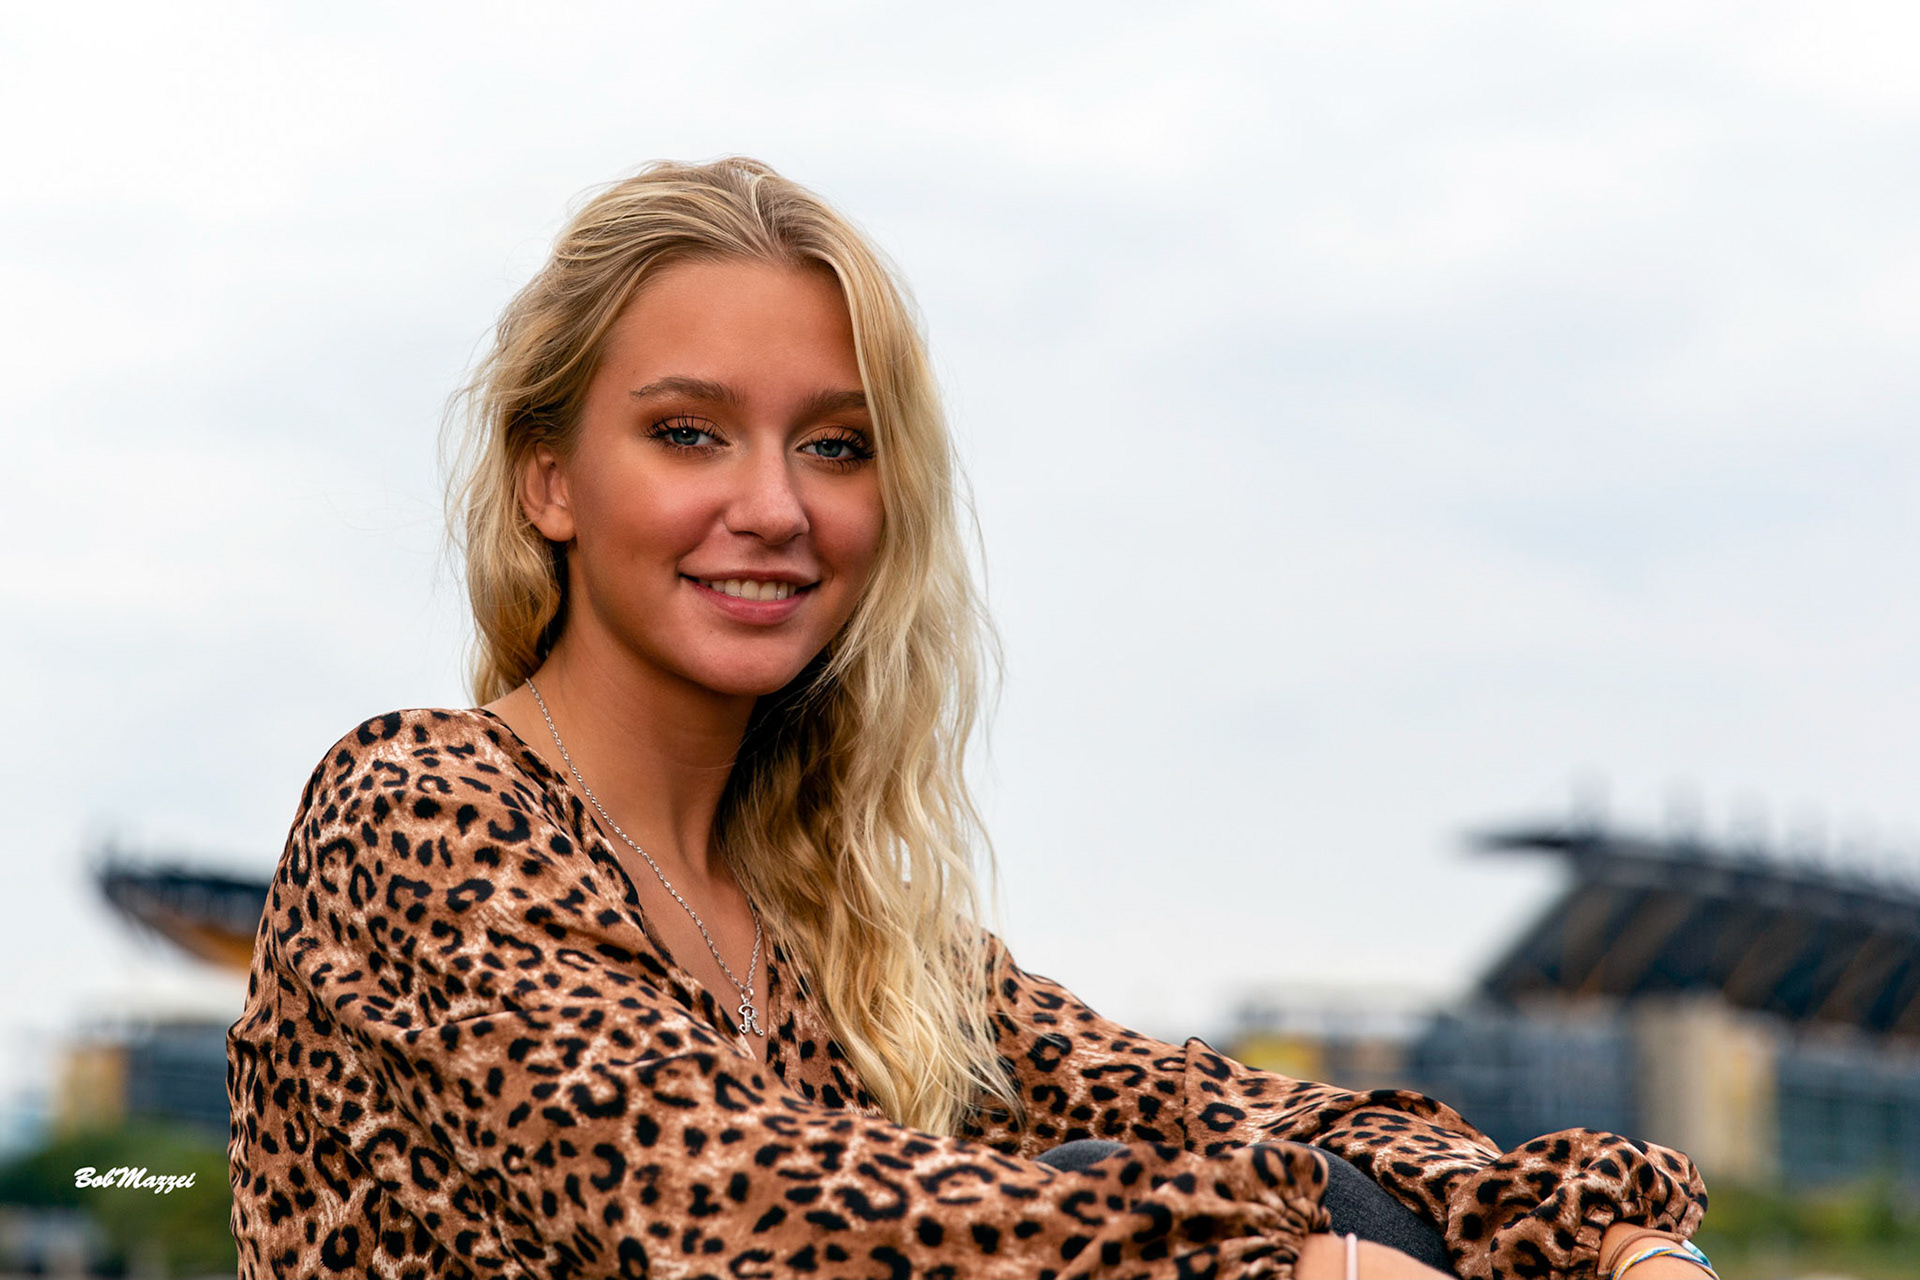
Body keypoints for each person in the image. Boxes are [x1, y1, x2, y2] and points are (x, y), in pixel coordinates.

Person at [226, 157, 1714, 1280]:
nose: (775, 507)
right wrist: (1289, 1269)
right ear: (549, 479)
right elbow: (720, 1211)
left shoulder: (842, 930)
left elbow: (1223, 1112)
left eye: (836, 447)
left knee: (1312, 1190)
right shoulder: (418, 809)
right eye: (688, 434)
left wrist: (1602, 1240)